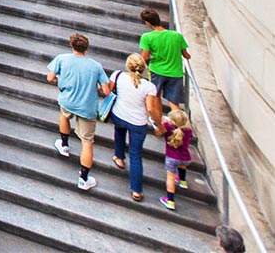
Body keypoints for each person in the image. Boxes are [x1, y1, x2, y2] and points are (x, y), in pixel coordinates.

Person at [46, 32, 111, 191]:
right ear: (86, 48)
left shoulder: (62, 58)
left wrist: (61, 82)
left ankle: (64, 144)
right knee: (87, 142)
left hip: (68, 99)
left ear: (71, 45)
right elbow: (107, 91)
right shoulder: (95, 66)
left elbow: (50, 78)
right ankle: (84, 178)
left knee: (64, 116)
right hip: (87, 106)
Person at [108, 53, 161, 201]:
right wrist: (159, 124)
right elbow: (150, 109)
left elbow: (108, 91)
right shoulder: (149, 87)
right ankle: (136, 189)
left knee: (118, 132)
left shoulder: (117, 75)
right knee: (136, 154)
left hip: (118, 114)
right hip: (137, 122)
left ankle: (119, 157)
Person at [139, 8, 191, 112]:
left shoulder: (147, 37)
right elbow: (187, 56)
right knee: (174, 102)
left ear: (147, 23)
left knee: (155, 96)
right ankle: (181, 125)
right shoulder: (176, 35)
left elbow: (145, 57)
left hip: (156, 71)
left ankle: (160, 123)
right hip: (175, 72)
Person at [160, 108, 196, 212]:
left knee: (170, 177)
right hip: (185, 157)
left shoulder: (168, 127)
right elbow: (190, 136)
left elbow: (161, 130)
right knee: (182, 166)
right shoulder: (188, 130)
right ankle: (182, 181)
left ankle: (170, 200)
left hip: (171, 157)